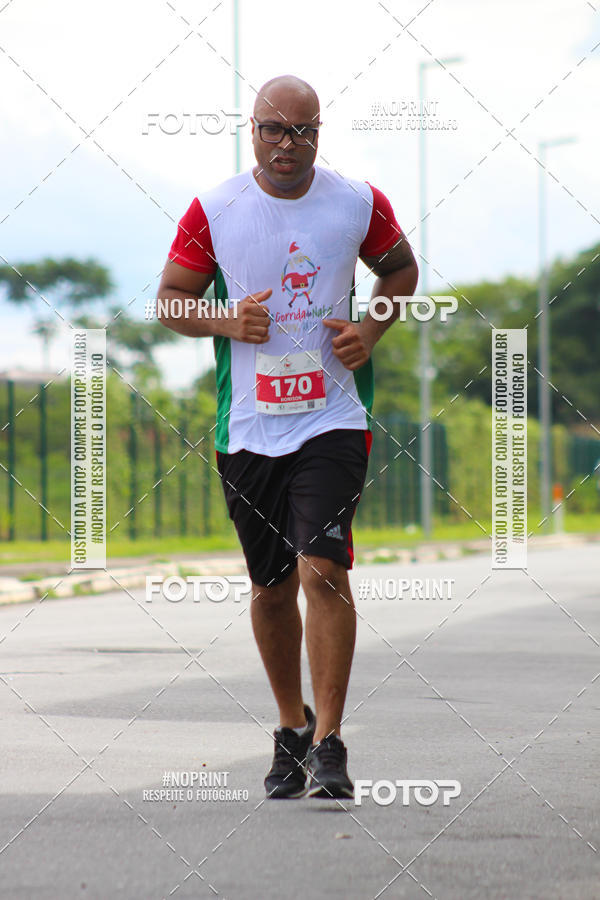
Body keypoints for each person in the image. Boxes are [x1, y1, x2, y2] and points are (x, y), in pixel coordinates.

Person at [157, 74, 418, 799]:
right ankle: (291, 726)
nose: (288, 145)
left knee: (322, 569)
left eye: (302, 131)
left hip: (332, 418)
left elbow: (399, 269)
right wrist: (225, 321)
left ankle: (331, 740)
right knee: (272, 588)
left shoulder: (357, 201)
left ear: (319, 134)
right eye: (274, 129)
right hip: (246, 426)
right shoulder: (215, 209)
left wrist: (371, 327)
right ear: (252, 131)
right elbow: (170, 300)